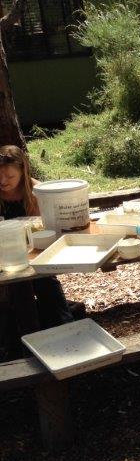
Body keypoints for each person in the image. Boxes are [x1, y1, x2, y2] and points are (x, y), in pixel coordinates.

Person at [0, 145, 73, 358]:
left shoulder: (36, 192)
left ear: (23, 170)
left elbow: (45, 228)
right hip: (7, 256)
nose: (3, 182)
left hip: (35, 252)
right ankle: (27, 341)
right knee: (18, 286)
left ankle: (64, 330)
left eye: (10, 176)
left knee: (46, 281)